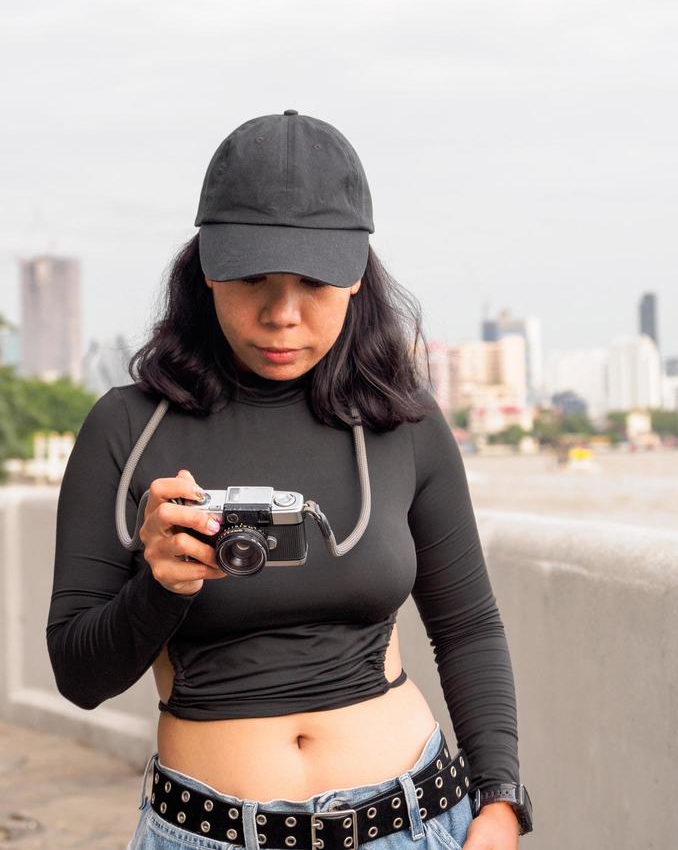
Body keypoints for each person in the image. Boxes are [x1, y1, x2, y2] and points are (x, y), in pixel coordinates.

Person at [46, 110, 532, 850]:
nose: (282, 315)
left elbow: (467, 628)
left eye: (312, 282)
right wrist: (160, 587)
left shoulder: (402, 424)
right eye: (251, 280)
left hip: (413, 822)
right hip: (205, 833)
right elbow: (79, 676)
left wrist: (498, 804)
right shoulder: (126, 428)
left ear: (357, 275)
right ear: (206, 267)